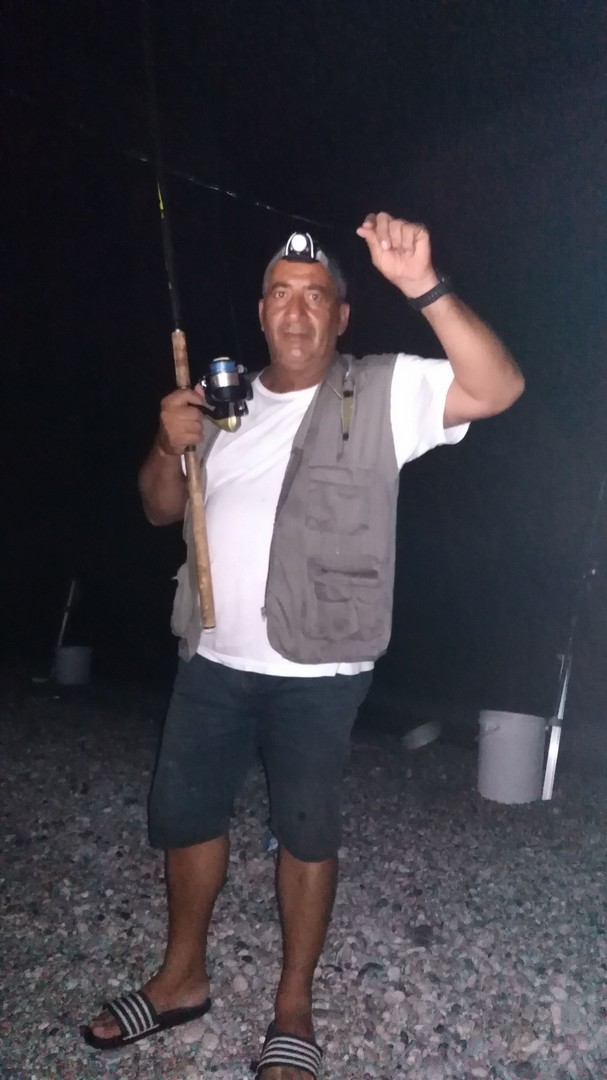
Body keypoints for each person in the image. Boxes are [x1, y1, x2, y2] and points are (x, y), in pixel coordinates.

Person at [83, 213, 524, 1076]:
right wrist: (166, 443)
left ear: (340, 316)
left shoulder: (380, 390)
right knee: (186, 818)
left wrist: (423, 286)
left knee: (307, 833)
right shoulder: (222, 404)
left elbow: (497, 386)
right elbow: (158, 509)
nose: (295, 310)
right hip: (210, 658)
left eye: (315, 296)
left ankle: (293, 1007)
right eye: (280, 295)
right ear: (260, 313)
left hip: (319, 671)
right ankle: (180, 979)